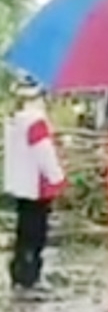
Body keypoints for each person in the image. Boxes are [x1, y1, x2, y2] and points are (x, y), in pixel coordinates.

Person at [3, 81, 66, 295]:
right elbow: (44, 154)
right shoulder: (36, 122)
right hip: (36, 186)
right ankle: (31, 278)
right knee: (36, 234)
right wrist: (57, 177)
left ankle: (18, 273)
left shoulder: (14, 120)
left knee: (23, 232)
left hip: (19, 184)